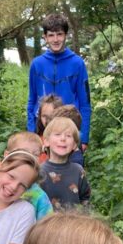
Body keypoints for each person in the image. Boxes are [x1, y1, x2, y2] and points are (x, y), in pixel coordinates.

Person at [27, 13, 91, 152]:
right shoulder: (37, 64)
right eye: (51, 35)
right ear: (45, 37)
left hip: (69, 130)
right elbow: (32, 101)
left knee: (71, 165)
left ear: (66, 35)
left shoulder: (78, 63)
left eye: (59, 34)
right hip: (42, 130)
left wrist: (84, 137)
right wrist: (31, 133)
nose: (55, 39)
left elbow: (85, 103)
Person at [0, 132, 53, 220]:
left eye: (35, 154)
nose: (30, 157)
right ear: (7, 154)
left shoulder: (39, 196)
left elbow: (47, 224)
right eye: (24, 152)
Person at [41, 117, 90, 210]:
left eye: (68, 136)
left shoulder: (78, 171)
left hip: (74, 219)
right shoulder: (39, 172)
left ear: (74, 145)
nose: (63, 138)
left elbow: (85, 199)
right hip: (48, 219)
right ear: (46, 141)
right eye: (57, 134)